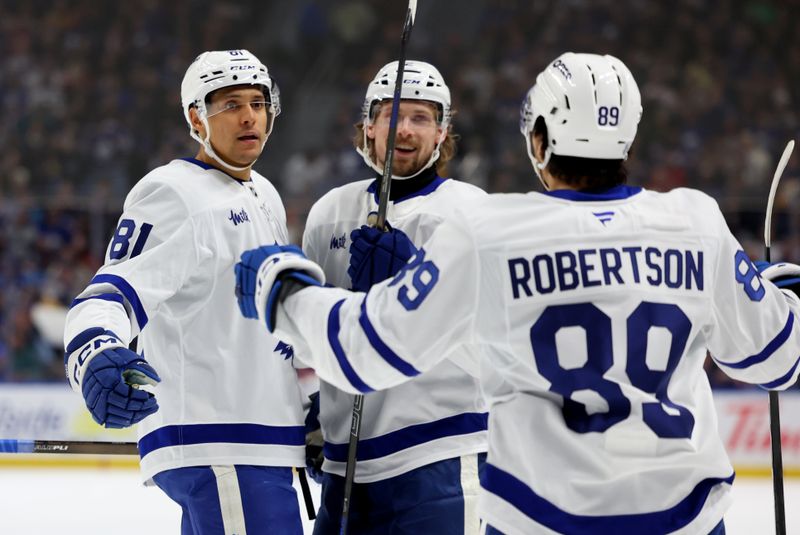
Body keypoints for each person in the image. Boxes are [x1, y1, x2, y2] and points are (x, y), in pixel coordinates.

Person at [235, 52, 800, 534]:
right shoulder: (696, 220)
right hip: (689, 517)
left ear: (538, 139)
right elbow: (780, 354)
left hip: (540, 513)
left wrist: (283, 288)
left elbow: (367, 351)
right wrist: (779, 293)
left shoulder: (491, 229)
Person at [63, 49, 309, 534]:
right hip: (222, 442)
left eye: (259, 103)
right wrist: (94, 352)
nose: (249, 116)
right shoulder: (175, 192)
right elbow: (109, 294)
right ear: (196, 116)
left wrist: (305, 405)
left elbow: (260, 329)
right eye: (230, 104)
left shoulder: (263, 192)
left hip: (256, 442)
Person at [301, 60, 488, 533]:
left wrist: (416, 289)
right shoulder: (330, 214)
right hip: (345, 474)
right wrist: (309, 413)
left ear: (443, 132)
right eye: (392, 114)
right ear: (369, 125)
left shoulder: (472, 215)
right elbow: (310, 339)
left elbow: (499, 353)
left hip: (440, 463)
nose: (405, 129)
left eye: (421, 117)